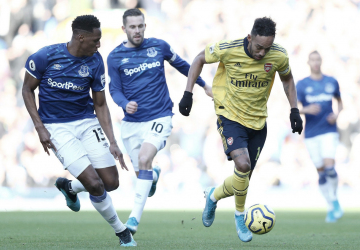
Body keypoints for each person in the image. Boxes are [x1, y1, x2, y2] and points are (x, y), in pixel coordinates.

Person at [179, 17, 303, 242]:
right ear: (249, 38)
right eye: (258, 47)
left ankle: (213, 197)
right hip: (230, 116)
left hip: (258, 122)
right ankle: (239, 216)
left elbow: (287, 80)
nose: (262, 53)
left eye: (267, 48)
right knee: (243, 165)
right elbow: (198, 58)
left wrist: (294, 110)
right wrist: (188, 93)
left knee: (242, 178)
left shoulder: (279, 55)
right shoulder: (228, 48)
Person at [22, 15, 136, 247]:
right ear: (80, 37)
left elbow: (101, 104)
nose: (99, 45)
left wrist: (113, 142)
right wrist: (40, 127)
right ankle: (122, 232)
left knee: (111, 183)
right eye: (95, 40)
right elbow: (26, 90)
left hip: (86, 122)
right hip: (56, 127)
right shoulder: (45, 57)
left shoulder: (95, 61)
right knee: (95, 185)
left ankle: (69, 186)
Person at [108, 8, 212, 236]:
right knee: (142, 172)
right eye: (132, 27)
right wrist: (124, 103)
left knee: (145, 158)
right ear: (124, 29)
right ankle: (153, 176)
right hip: (131, 123)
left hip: (160, 116)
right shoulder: (115, 57)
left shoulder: (159, 47)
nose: (137, 30)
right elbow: (114, 88)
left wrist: (203, 85)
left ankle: (133, 220)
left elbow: (184, 65)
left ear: (145, 26)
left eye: (140, 26)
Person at [296, 51, 343, 223]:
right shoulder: (302, 85)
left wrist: (336, 115)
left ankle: (335, 200)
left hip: (329, 130)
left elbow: (340, 102)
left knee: (330, 168)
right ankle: (331, 206)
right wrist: (306, 110)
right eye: (312, 60)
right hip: (311, 133)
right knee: (321, 173)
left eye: (318, 59)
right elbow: (294, 108)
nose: (315, 63)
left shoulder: (331, 81)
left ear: (321, 61)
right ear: (308, 62)